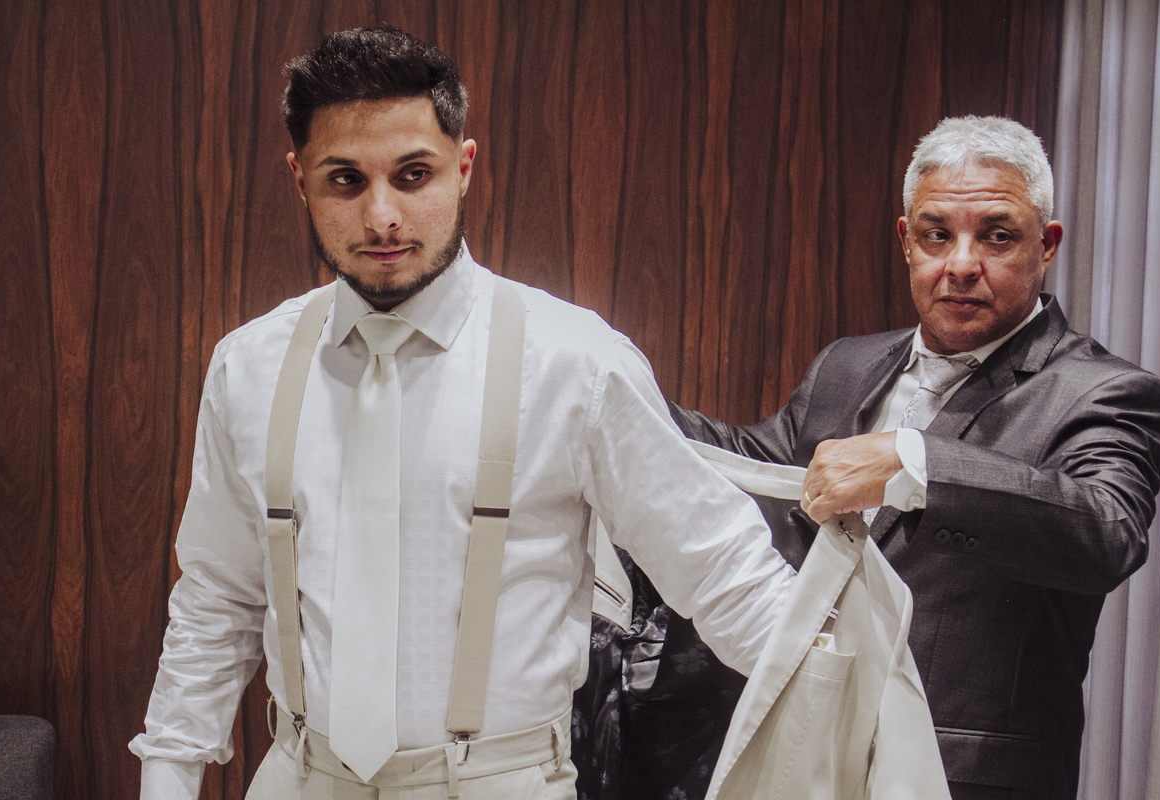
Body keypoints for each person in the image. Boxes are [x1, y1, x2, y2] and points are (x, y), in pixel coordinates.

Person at [128, 26, 798, 800]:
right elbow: (217, 599)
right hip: (298, 778)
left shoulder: (576, 363)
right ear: (299, 179)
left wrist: (867, 744)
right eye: (346, 180)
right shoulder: (247, 366)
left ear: (464, 166)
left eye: (413, 174)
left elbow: (727, 576)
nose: (382, 216)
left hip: (499, 781)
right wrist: (167, 780)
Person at [671, 116, 1160, 800]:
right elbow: (754, 464)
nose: (961, 264)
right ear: (907, 241)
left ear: (1047, 245)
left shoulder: (1108, 391)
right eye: (938, 235)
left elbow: (1107, 531)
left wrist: (917, 466)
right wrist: (607, 386)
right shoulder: (847, 365)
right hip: (803, 758)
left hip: (960, 775)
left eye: (997, 236)